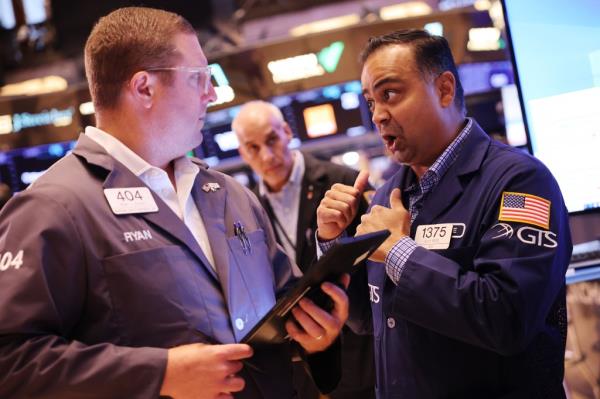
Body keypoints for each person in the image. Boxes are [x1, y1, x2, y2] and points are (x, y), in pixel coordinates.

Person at [0, 7, 349, 399]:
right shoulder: (54, 207)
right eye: (199, 77)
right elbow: (11, 361)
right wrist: (158, 374)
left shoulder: (232, 195)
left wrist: (314, 336)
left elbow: (284, 314)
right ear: (144, 87)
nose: (212, 93)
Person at [316, 29, 572, 398]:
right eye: (371, 102)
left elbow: (509, 319)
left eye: (390, 94)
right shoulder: (388, 195)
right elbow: (365, 319)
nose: (378, 116)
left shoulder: (520, 181)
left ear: (445, 89)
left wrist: (399, 251)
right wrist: (332, 242)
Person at [232, 100, 376, 399]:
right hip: (294, 370)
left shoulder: (342, 182)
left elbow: (375, 270)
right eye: (253, 147)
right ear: (242, 153)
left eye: (271, 140)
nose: (267, 155)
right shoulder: (242, 208)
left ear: (286, 131)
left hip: (354, 359)